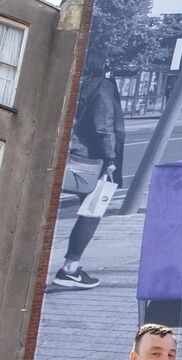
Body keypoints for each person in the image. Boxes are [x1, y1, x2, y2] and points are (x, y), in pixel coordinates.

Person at [53, 46, 124, 290]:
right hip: (91, 158)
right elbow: (102, 125)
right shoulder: (102, 86)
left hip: (69, 150)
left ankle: (69, 268)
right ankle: (69, 269)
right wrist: (110, 158)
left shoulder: (79, 83)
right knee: (92, 211)